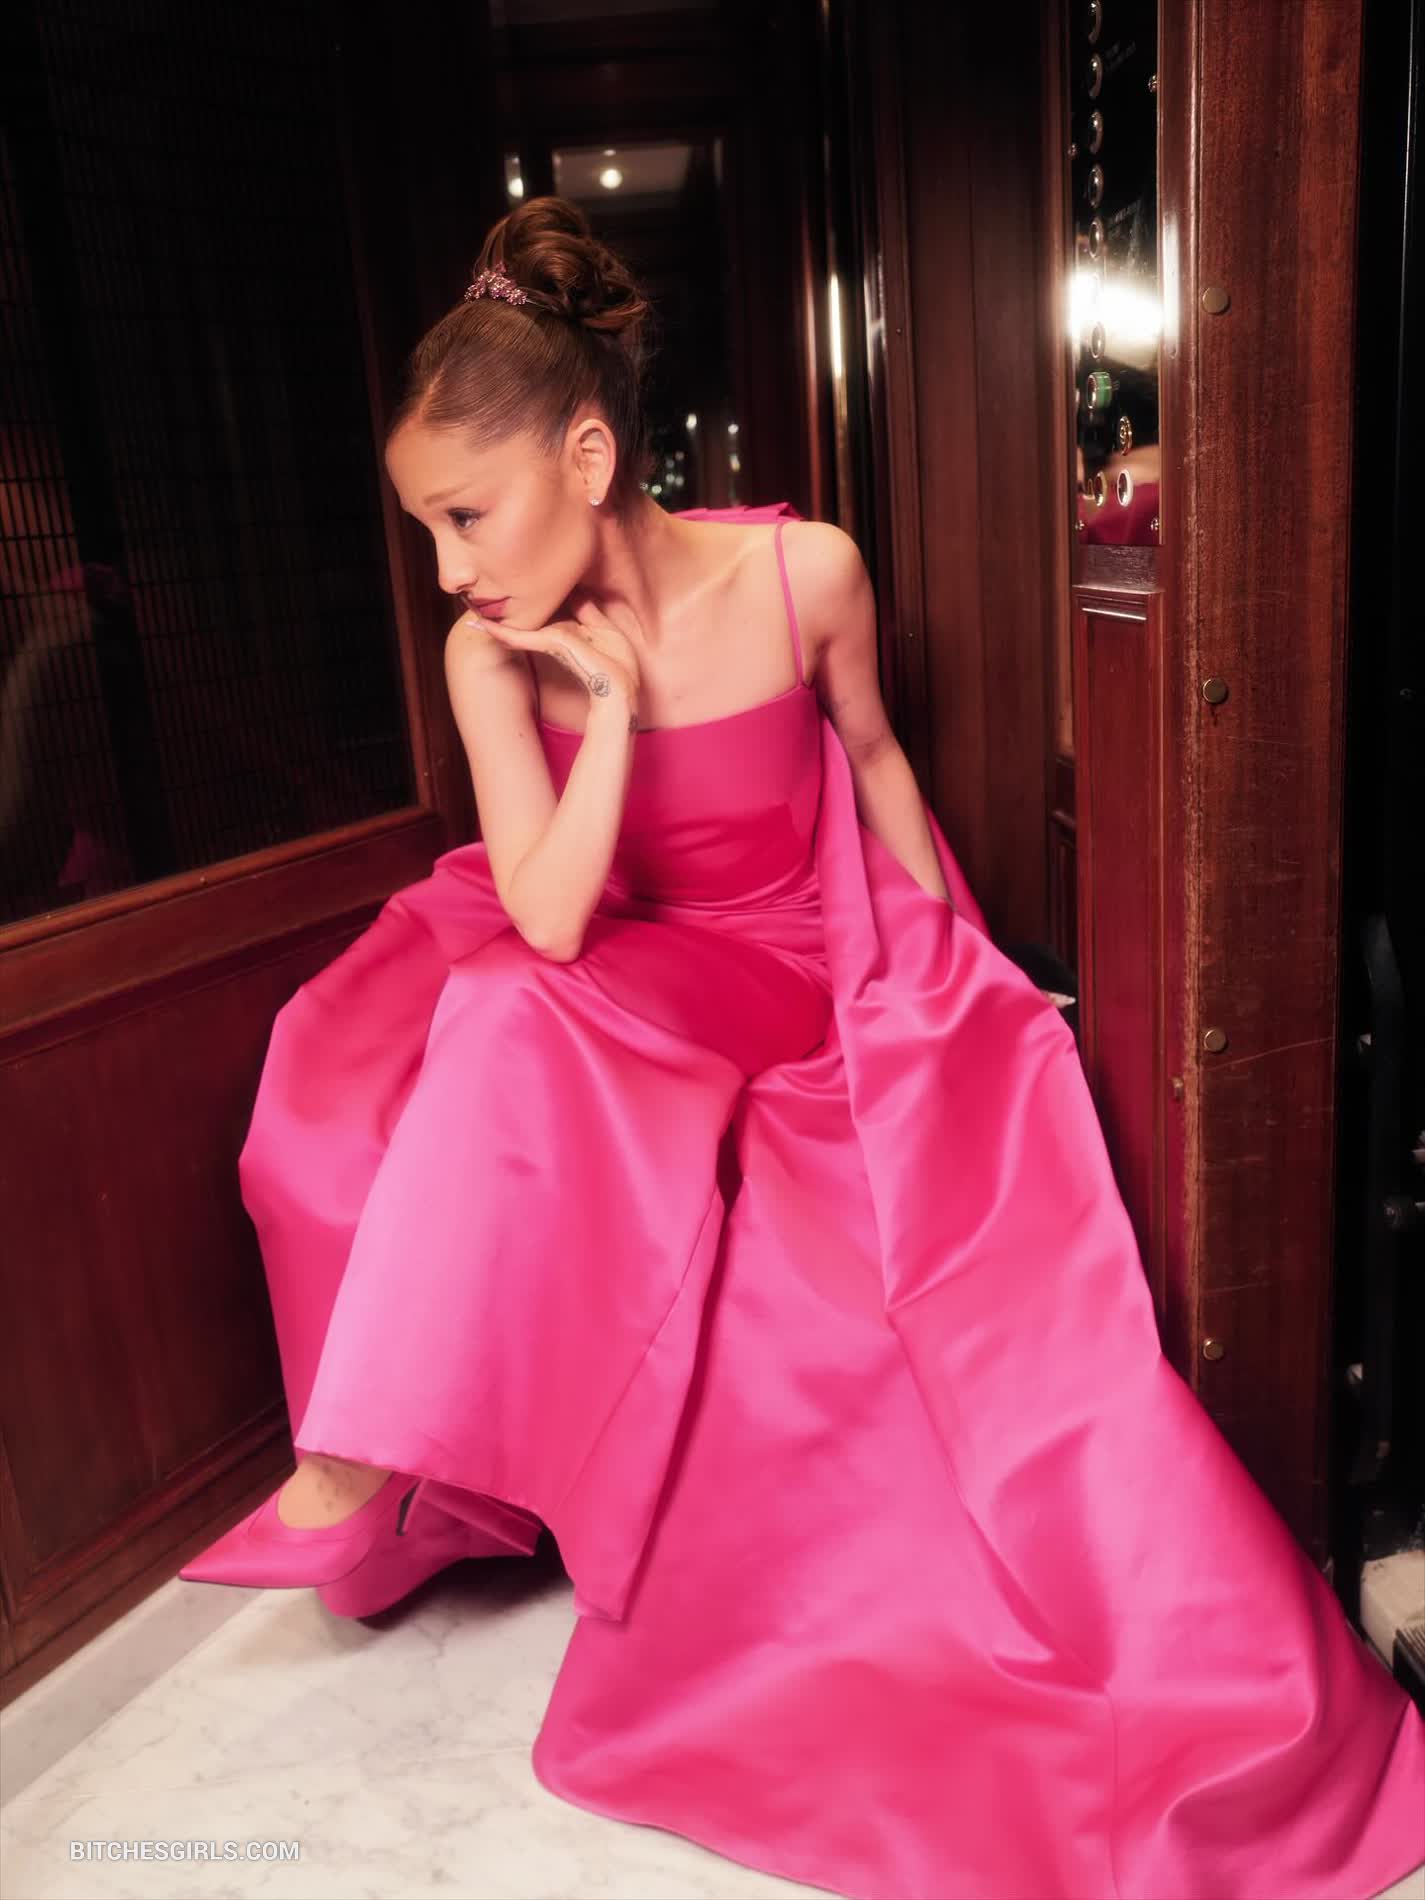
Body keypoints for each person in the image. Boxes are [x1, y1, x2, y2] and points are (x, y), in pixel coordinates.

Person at [180, 197, 1425, 1900]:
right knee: (454, 1028)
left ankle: (363, 1454)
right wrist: (612, 713)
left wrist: (960, 972)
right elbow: (552, 917)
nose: (451, 568)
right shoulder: (491, 655)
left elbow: (879, 763)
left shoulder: (803, 570)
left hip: (785, 953)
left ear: (589, 455)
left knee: (546, 1033)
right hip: (605, 957)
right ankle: (362, 1451)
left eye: (465, 514)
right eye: (427, 531)